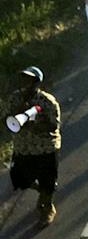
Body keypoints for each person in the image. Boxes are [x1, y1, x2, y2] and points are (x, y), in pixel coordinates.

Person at [5, 66, 62, 226]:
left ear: (37, 82)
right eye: (24, 78)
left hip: (46, 148)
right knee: (18, 178)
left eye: (30, 79)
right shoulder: (15, 98)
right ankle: (44, 189)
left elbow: (53, 125)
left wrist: (33, 124)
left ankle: (46, 207)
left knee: (47, 180)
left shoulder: (47, 101)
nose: (26, 82)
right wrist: (17, 113)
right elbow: (6, 120)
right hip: (23, 148)